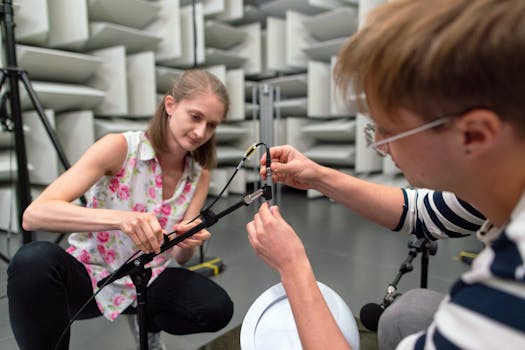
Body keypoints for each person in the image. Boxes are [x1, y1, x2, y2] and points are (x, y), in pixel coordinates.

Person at [246, 0, 525, 349]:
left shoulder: (510, 287)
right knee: (409, 314)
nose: (379, 145)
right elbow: (423, 211)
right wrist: (317, 176)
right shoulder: (503, 176)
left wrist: (293, 268)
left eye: (389, 130)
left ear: (475, 134)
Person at [7, 69, 234, 350]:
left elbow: (181, 256)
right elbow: (34, 215)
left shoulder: (200, 176)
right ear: (171, 105)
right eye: (195, 117)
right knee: (33, 260)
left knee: (216, 308)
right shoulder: (119, 147)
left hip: (147, 278)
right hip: (93, 276)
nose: (201, 132)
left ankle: (146, 321)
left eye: (211, 125)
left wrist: (186, 242)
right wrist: (121, 219)